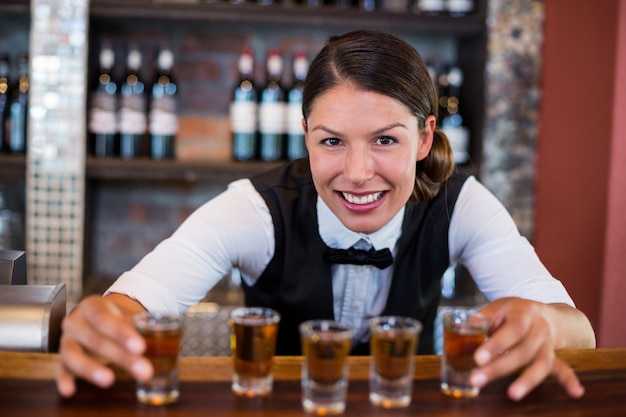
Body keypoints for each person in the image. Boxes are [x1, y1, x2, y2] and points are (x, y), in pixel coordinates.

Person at [56, 29, 595, 401]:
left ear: (425, 137)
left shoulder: (463, 204)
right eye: (332, 141)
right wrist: (103, 321)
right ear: (306, 135)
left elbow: (580, 332)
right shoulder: (255, 209)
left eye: (385, 139)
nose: (358, 172)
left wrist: (545, 322)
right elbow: (137, 300)